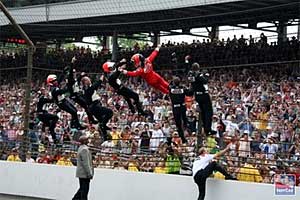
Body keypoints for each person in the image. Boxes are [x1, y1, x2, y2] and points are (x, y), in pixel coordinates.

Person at [81, 75, 113, 141]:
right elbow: (96, 85)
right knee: (110, 112)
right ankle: (103, 125)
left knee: (101, 121)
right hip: (95, 106)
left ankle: (105, 137)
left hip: (93, 107)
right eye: (87, 79)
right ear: (85, 82)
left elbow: (95, 86)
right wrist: (102, 77)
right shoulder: (87, 89)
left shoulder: (87, 88)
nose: (89, 80)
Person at [65, 60, 97, 124]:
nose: (75, 73)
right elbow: (71, 73)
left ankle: (91, 119)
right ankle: (91, 119)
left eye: (75, 72)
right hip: (74, 95)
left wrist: (82, 75)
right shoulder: (69, 79)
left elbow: (77, 80)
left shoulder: (74, 79)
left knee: (87, 105)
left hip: (78, 94)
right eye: (73, 72)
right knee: (86, 105)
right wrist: (72, 62)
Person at [187, 62, 214, 136]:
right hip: (203, 95)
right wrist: (206, 75)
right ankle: (207, 129)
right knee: (209, 112)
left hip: (197, 95)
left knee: (203, 112)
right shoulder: (198, 74)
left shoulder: (190, 75)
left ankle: (205, 129)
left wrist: (186, 62)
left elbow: (188, 72)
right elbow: (205, 81)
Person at [169, 76, 191, 143]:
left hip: (176, 108)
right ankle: (186, 129)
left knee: (178, 124)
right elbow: (189, 93)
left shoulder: (170, 89)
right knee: (184, 120)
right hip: (182, 106)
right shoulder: (182, 88)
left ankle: (183, 138)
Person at [73, 135, 94, 200]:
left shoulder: (80, 148)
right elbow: (86, 163)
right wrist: (89, 173)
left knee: (82, 189)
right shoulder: (85, 149)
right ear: (85, 141)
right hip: (85, 174)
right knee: (84, 191)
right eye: (87, 139)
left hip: (81, 174)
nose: (88, 140)